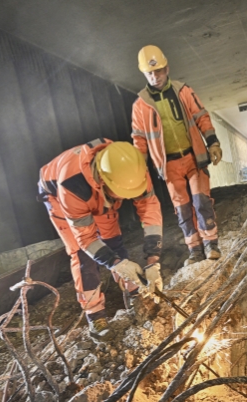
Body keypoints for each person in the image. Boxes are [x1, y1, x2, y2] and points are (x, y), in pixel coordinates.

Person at [38, 139, 164, 334]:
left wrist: (153, 260)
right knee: (82, 256)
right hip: (57, 195)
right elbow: (86, 240)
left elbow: (150, 211)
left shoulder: (132, 170)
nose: (125, 199)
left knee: (113, 241)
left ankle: (135, 291)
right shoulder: (72, 184)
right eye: (121, 195)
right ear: (104, 182)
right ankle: (95, 315)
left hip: (100, 192)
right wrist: (117, 264)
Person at [131, 45, 223, 267]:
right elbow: (139, 141)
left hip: (193, 157)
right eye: (150, 73)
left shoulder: (183, 91)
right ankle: (195, 249)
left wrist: (213, 142)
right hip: (169, 165)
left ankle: (211, 244)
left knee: (202, 202)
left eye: (159, 71)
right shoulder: (140, 105)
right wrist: (140, 170)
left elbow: (201, 116)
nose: (155, 77)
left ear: (167, 68)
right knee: (182, 208)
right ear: (144, 74)